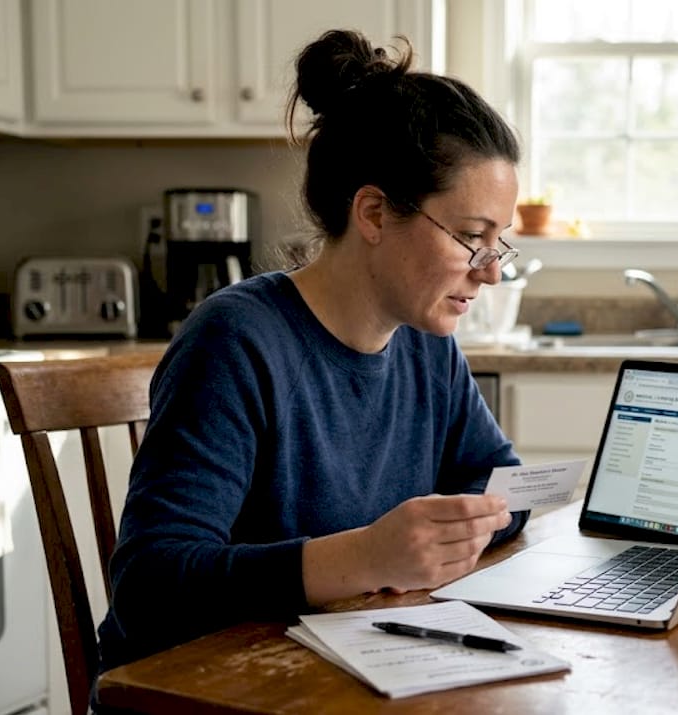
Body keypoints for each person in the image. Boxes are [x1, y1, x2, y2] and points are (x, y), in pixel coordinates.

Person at [94, 28, 528, 687]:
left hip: (341, 669)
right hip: (201, 689)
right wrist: (366, 556)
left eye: (499, 244)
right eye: (472, 238)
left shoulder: (428, 345)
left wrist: (445, 535)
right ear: (375, 213)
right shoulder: (235, 341)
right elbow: (149, 585)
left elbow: (501, 483)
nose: (490, 272)